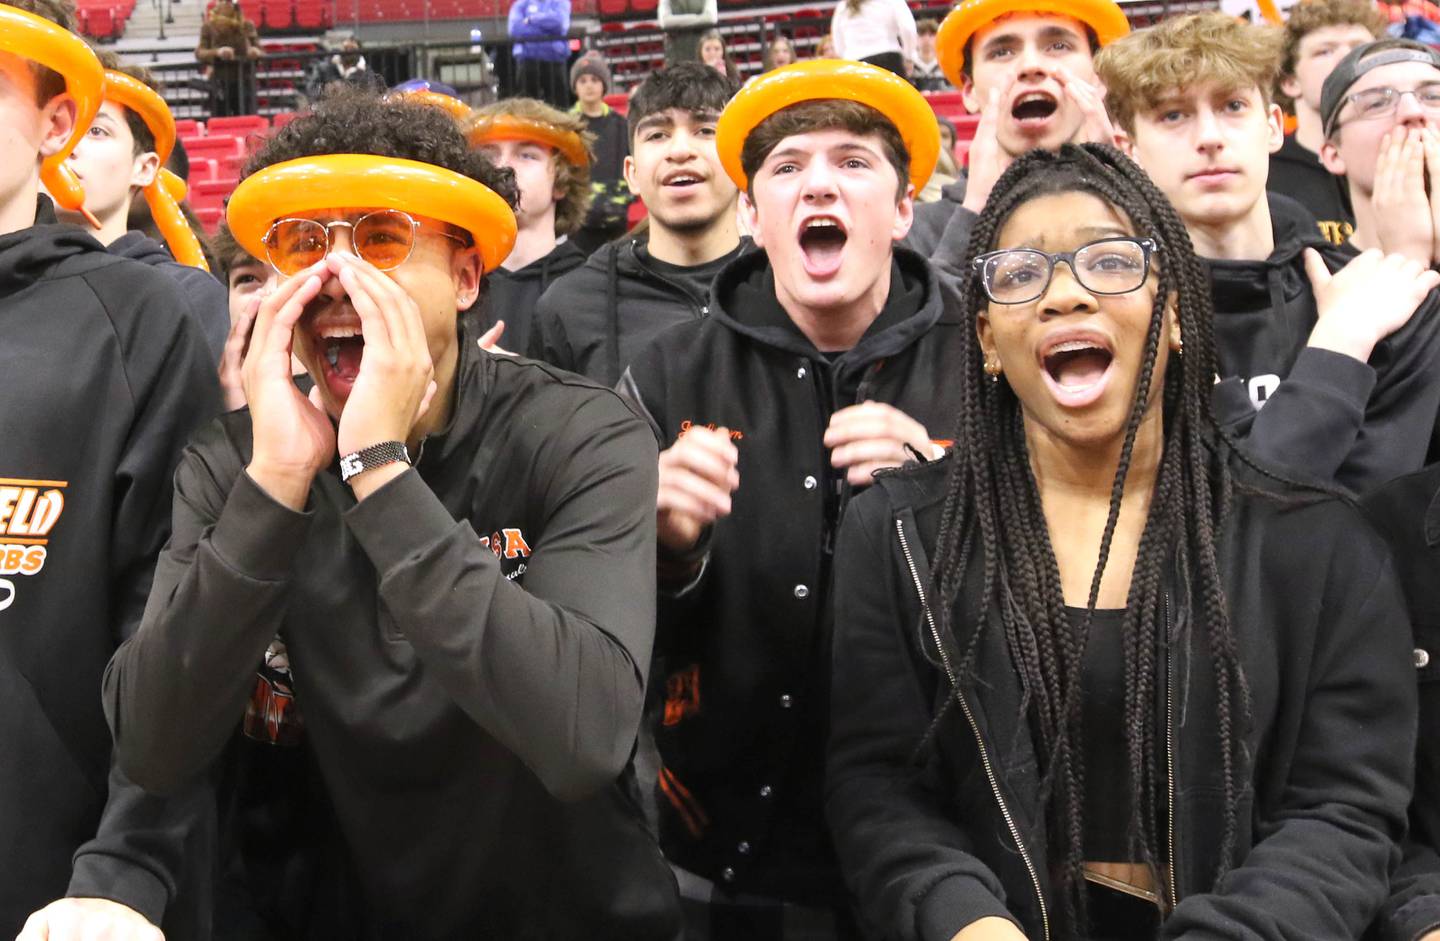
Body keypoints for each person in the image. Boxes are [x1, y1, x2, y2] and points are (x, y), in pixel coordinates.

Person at [102, 85, 681, 938]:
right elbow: (152, 742)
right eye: (304, 244)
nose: (337, 276)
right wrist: (276, 484)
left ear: (466, 274)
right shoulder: (235, 461)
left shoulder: (581, 430)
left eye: (381, 237)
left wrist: (378, 468)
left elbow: (583, 737)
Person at [827, 141, 1419, 941]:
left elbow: (1343, 809)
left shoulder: (1314, 539)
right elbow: (881, 790)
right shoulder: (899, 535)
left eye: (1109, 262)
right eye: (1021, 274)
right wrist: (965, 922)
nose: (1065, 294)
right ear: (989, 343)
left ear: (1174, 313)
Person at [617, 58, 958, 939]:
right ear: (753, 217)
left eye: (852, 162)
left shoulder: (989, 359)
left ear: (904, 208)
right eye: (787, 166)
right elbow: (602, 640)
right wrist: (660, 546)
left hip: (955, 853)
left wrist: (943, 494)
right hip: (730, 856)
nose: (819, 184)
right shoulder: (663, 374)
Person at [0, 1, 221, 937]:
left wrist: (125, 868)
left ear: (57, 120)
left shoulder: (144, 317)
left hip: (56, 885)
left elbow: (174, 620)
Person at [1098, 12, 1440, 494]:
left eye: (1233, 105)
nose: (1210, 137)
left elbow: (1384, 499)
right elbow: (1227, 515)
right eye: (1173, 115)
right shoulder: (1115, 318)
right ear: (1127, 148)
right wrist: (1340, 345)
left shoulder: (1380, 294)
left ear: (1274, 126)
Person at [531, 62, 743, 385]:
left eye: (705, 130)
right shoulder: (569, 308)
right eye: (658, 134)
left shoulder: (789, 288)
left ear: (740, 159)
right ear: (632, 174)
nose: (681, 151)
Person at [907, 0, 1130, 258]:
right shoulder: (917, 238)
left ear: (1098, 78)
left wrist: (1120, 196)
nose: (1030, 66)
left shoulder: (1160, 213)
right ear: (969, 91)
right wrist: (970, 221)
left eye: (1058, 45)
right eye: (1002, 52)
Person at [57, 51, 228, 360]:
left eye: (96, 131)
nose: (68, 145)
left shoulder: (185, 294)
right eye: (59, 126)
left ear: (145, 168)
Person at [466, 97, 592, 354]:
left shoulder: (591, 287)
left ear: (561, 182)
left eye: (527, 155)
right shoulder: (451, 285)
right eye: (488, 156)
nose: (504, 167)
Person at [1270, 0, 1385, 245]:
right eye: (1325, 51)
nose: (1349, 58)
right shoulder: (1265, 172)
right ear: (1290, 82)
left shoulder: (1406, 159)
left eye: (1361, 48)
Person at [1319, 38, 1440, 268]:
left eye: (1434, 96)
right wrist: (1406, 261)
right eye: (1377, 103)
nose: (1412, 111)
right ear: (1333, 155)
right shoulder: (1317, 281)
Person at [570, 52, 632, 253]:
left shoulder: (622, 124)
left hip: (616, 218)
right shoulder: (567, 126)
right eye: (583, 80)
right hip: (580, 222)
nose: (589, 85)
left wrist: (624, 198)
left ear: (604, 85)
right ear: (575, 86)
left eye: (595, 80)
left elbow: (633, 163)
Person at [195, 0, 262, 118]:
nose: (226, 4)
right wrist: (218, 52)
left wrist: (255, 52)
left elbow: (258, 49)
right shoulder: (208, 26)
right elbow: (200, 52)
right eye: (223, 1)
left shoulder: (246, 25)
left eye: (229, 2)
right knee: (220, 120)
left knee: (246, 119)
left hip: (243, 81)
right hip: (219, 82)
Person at [830, 0, 916, 78]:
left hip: (854, 64)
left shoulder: (843, 6)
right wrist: (908, 57)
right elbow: (908, 29)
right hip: (888, 58)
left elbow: (838, 45)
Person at [508, 0, 571, 108]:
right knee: (526, 109)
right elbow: (515, 30)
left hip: (554, 60)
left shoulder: (561, 2)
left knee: (559, 109)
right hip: (527, 61)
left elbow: (560, 23)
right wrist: (548, 29)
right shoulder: (521, 4)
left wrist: (531, 19)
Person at [304, 37, 385, 103]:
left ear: (359, 52)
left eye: (352, 49)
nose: (348, 52)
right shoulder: (325, 67)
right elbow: (311, 90)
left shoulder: (367, 74)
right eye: (346, 48)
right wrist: (325, 91)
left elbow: (371, 97)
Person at [659, 0, 717, 69]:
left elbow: (710, 18)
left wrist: (676, 23)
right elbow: (665, 22)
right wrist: (700, 18)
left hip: (703, 53)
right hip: (676, 54)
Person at [910, 17, 948, 92]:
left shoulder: (946, 64)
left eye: (931, 35)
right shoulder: (908, 64)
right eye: (922, 35)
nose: (926, 39)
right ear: (915, 38)